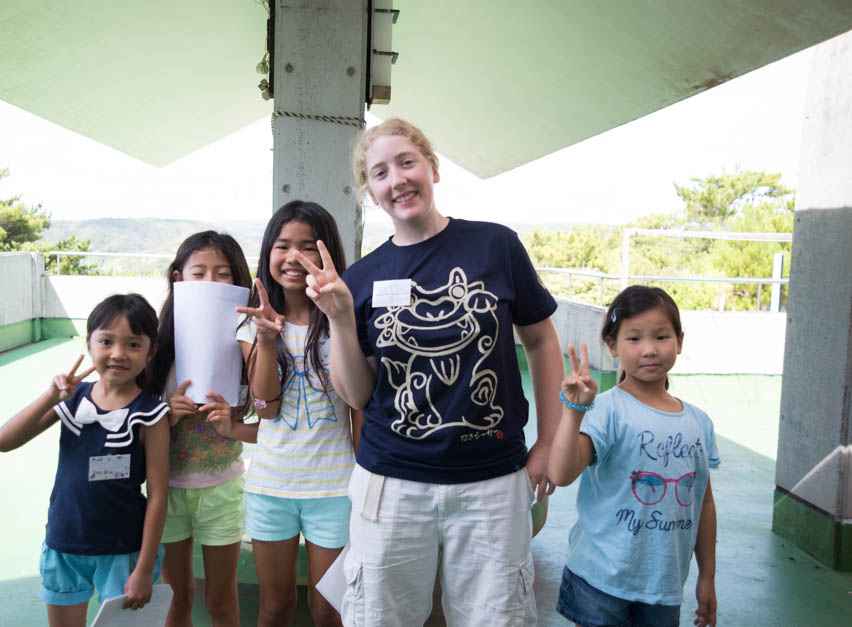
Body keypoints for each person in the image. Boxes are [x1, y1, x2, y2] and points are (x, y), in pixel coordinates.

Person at [295, 118, 564, 626]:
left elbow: (541, 339)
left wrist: (548, 441)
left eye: (406, 162)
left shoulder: (495, 246)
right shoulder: (362, 279)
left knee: (497, 617)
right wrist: (338, 318)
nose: (397, 179)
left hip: (491, 481)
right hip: (391, 483)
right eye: (380, 173)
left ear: (433, 169)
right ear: (371, 194)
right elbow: (357, 394)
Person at [0, 293, 170, 627]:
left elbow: (158, 495)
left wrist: (144, 568)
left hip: (124, 550)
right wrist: (50, 395)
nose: (118, 354)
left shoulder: (150, 415)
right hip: (65, 542)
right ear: (89, 343)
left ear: (151, 351)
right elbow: (3, 441)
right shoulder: (72, 400)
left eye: (133, 344)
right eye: (106, 341)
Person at [548, 285, 719, 627]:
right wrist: (573, 413)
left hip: (664, 588)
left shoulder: (699, 422)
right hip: (600, 581)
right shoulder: (607, 409)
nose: (650, 350)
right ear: (612, 345)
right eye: (634, 339)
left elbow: (704, 503)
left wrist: (706, 577)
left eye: (661, 337)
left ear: (680, 341)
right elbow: (560, 474)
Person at [235, 201, 361, 627]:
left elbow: (359, 405)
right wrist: (268, 341)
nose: (293, 257)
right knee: (275, 606)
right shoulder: (253, 324)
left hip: (334, 488)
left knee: (329, 608)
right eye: (283, 245)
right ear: (268, 251)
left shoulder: (346, 316)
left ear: (327, 256)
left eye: (307, 247)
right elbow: (266, 409)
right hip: (271, 486)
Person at [144, 231, 258, 627]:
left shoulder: (247, 341)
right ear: (178, 279)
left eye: (223, 273)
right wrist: (166, 414)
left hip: (223, 490)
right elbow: (133, 422)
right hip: (167, 493)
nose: (211, 281)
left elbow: (269, 418)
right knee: (177, 597)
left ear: (239, 280)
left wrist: (233, 424)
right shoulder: (156, 345)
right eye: (199, 272)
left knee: (221, 599)